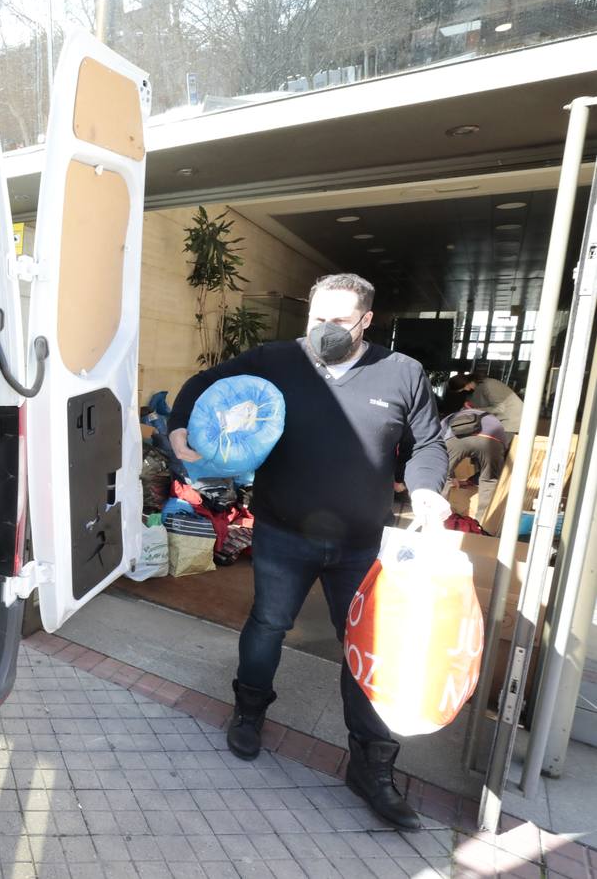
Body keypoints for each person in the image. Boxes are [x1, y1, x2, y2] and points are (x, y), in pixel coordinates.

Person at [168, 273, 449, 831]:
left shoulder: (401, 373)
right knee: (268, 625)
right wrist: (178, 429)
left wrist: (425, 490)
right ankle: (249, 711)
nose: (324, 330)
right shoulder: (278, 359)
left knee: (365, 649)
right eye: (316, 318)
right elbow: (203, 383)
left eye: (339, 321)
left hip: (361, 544)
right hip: (283, 531)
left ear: (367, 320)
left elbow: (428, 443)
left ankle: (372, 765)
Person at [440, 404, 507, 519]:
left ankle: (438, 518)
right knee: (489, 480)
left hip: (456, 438)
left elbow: (438, 446)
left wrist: (451, 475)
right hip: (493, 440)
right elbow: (503, 449)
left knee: (443, 475)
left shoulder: (452, 417)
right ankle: (483, 523)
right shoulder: (492, 419)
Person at [447, 372, 522, 437]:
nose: (467, 390)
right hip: (502, 424)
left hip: (512, 424)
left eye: (464, 388)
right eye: (462, 391)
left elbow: (500, 408)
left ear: (466, 382)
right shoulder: (474, 390)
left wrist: (474, 410)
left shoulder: (489, 385)